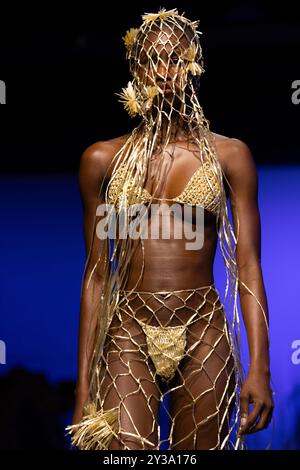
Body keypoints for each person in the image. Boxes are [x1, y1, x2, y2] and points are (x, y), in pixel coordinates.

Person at [66, 8, 274, 450]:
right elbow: (97, 276)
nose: (164, 71)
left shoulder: (229, 156)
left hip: (203, 326)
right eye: (151, 61)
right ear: (135, 70)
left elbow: (249, 268)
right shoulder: (102, 160)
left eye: (176, 59)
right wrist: (82, 391)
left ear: (194, 66)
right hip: (127, 328)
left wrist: (261, 367)